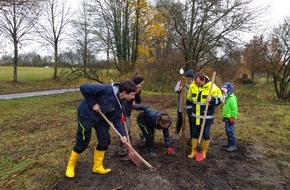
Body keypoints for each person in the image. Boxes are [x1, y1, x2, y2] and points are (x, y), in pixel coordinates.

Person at [65, 80, 137, 178]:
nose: (134, 97)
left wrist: (122, 135)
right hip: (87, 114)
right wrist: (93, 103)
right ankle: (70, 166)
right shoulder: (106, 90)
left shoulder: (122, 102)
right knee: (83, 142)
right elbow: (83, 87)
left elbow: (117, 119)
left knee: (105, 140)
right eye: (132, 94)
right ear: (124, 93)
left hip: (101, 118)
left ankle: (97, 167)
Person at [186, 72, 223, 159]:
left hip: (207, 117)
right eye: (196, 83)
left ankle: (204, 152)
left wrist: (212, 100)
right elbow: (189, 99)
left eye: (198, 83)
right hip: (195, 116)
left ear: (203, 80)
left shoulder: (212, 87)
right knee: (194, 134)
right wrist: (189, 111)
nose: (197, 85)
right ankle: (193, 151)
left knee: (205, 134)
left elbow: (220, 100)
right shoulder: (193, 86)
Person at [119, 73, 144, 157]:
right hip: (123, 112)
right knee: (124, 130)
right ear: (136, 83)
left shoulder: (135, 90)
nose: (141, 85)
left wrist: (137, 91)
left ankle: (128, 145)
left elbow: (138, 100)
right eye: (140, 84)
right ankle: (123, 149)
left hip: (128, 112)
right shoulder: (128, 89)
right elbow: (123, 101)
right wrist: (122, 113)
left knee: (128, 129)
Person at [174, 69, 194, 141]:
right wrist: (178, 89)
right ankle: (177, 133)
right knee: (180, 120)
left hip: (191, 106)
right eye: (188, 78)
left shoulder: (194, 84)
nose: (189, 80)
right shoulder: (180, 82)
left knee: (191, 121)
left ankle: (192, 137)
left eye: (190, 79)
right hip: (181, 105)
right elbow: (175, 89)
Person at [221, 82, 238, 152]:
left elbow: (234, 109)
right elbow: (226, 108)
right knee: (227, 131)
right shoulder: (227, 98)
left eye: (225, 90)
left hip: (230, 118)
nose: (224, 91)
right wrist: (224, 116)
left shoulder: (232, 98)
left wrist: (232, 117)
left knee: (230, 131)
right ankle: (229, 144)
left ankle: (233, 145)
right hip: (227, 118)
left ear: (229, 90)